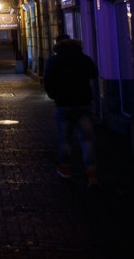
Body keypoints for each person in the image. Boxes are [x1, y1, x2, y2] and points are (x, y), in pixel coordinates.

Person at [43, 34, 99, 187]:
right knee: (87, 139)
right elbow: (94, 73)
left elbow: (47, 80)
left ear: (58, 44)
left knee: (65, 138)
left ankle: (65, 170)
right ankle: (92, 173)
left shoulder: (54, 60)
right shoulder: (83, 58)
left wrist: (54, 95)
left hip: (64, 104)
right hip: (84, 103)